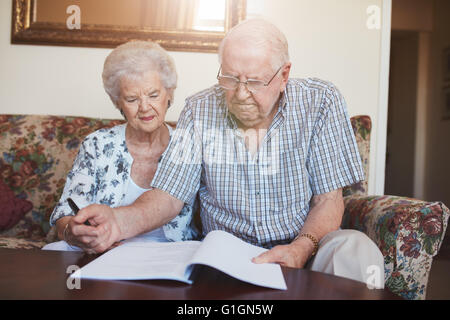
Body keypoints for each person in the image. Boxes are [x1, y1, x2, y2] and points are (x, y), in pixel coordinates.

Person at [69, 19, 384, 287]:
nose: (241, 94)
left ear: (284, 75)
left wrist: (300, 249)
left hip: (306, 244)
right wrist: (117, 222)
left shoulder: (320, 102)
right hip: (228, 255)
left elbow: (328, 200)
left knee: (356, 249)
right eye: (231, 79)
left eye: (255, 82)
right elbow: (168, 196)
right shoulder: (200, 108)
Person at [43, 40, 198, 253]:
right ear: (117, 102)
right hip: (105, 254)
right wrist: (77, 234)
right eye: (132, 99)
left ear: (169, 93)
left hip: (168, 257)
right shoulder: (97, 145)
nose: (144, 107)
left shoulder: (188, 145)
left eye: (153, 95)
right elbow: (64, 217)